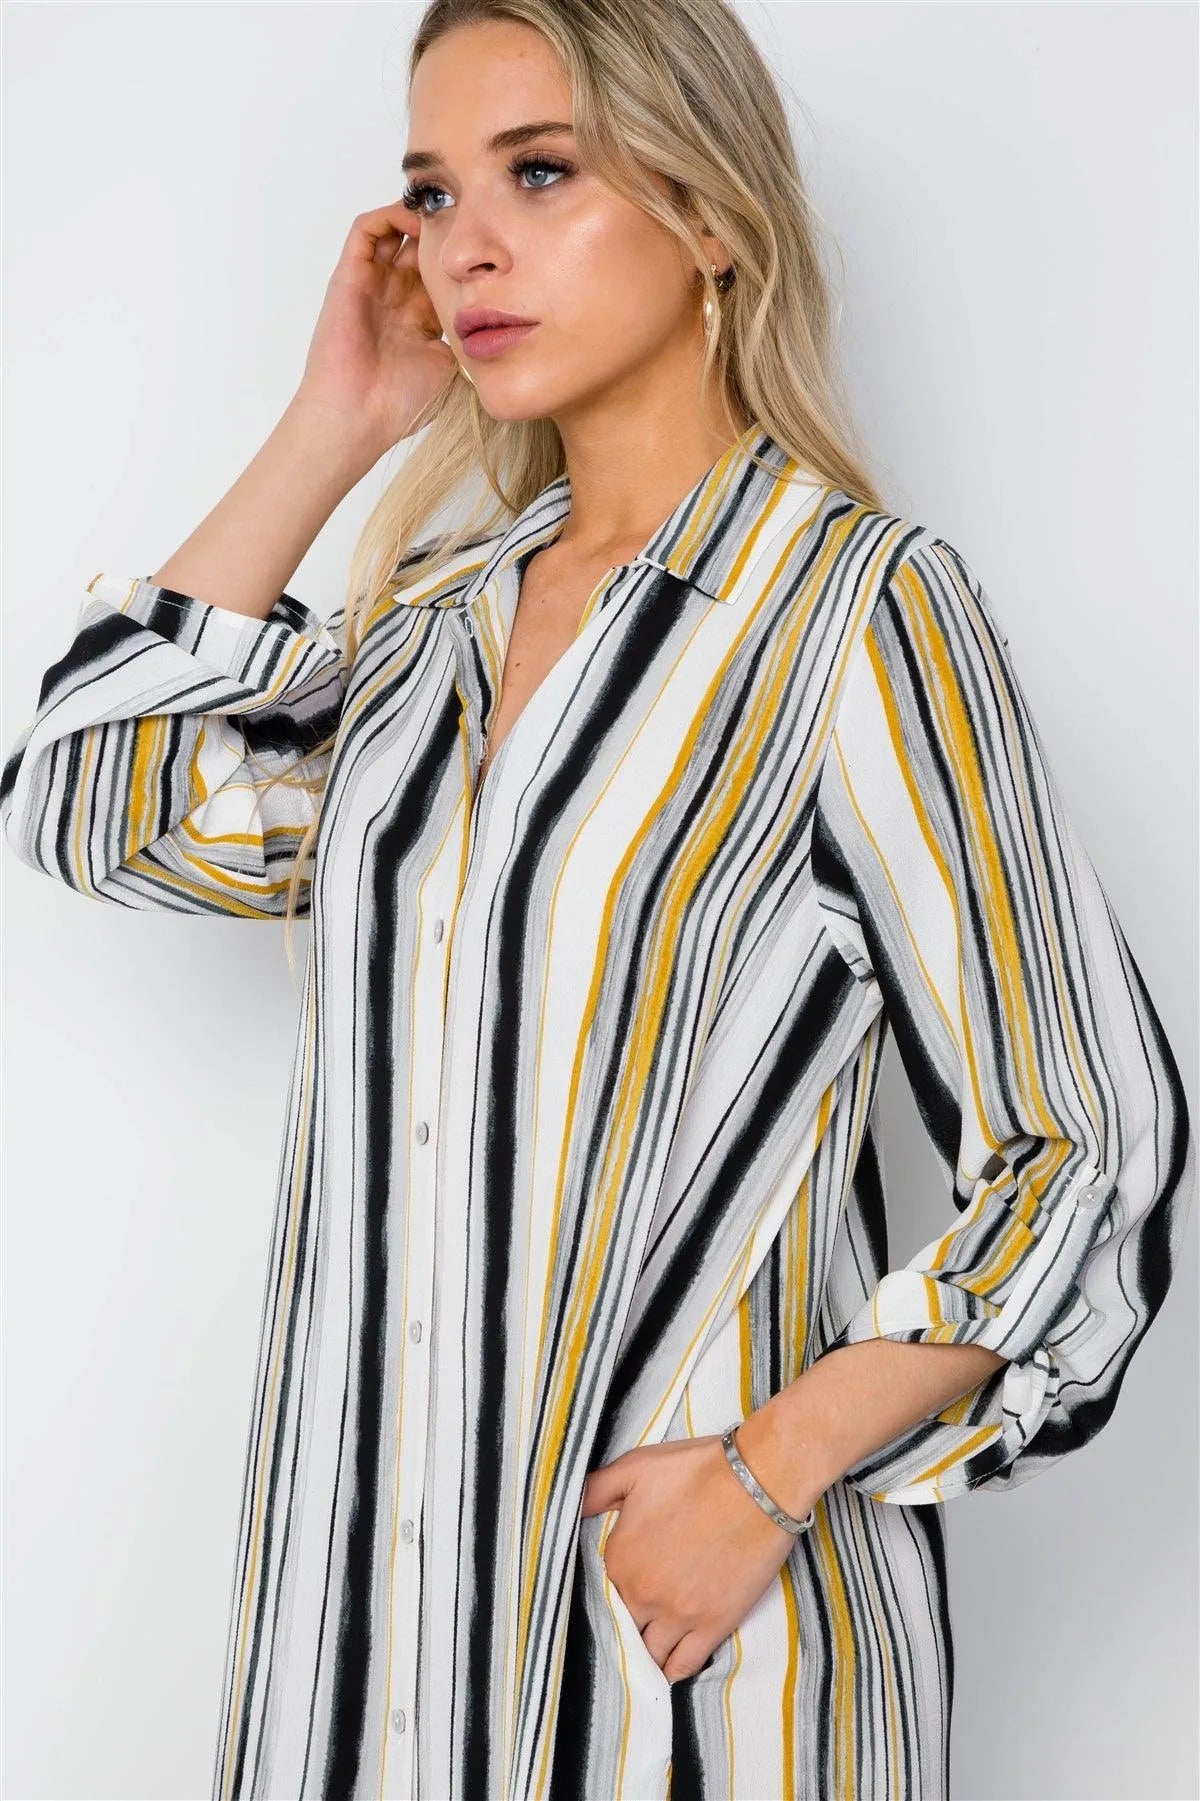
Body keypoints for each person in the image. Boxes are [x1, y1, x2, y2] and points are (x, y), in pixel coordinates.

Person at [1, 3, 1193, 1798]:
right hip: (364, 1658)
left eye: (540, 173)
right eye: (430, 193)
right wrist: (335, 424)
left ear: (710, 213)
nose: (465, 247)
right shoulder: (429, 627)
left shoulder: (851, 615)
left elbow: (1085, 1133)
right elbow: (91, 804)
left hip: (680, 1671)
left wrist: (773, 1470)